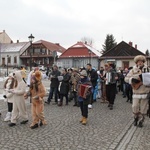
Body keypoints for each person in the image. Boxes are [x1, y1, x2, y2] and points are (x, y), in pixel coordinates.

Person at [125, 55, 150, 127]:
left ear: (143, 62)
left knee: (143, 108)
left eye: (141, 61)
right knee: (135, 106)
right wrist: (132, 80)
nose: (140, 62)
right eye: (138, 61)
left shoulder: (148, 69)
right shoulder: (133, 70)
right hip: (136, 91)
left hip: (145, 91)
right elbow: (126, 79)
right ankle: (135, 118)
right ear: (136, 62)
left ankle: (141, 120)